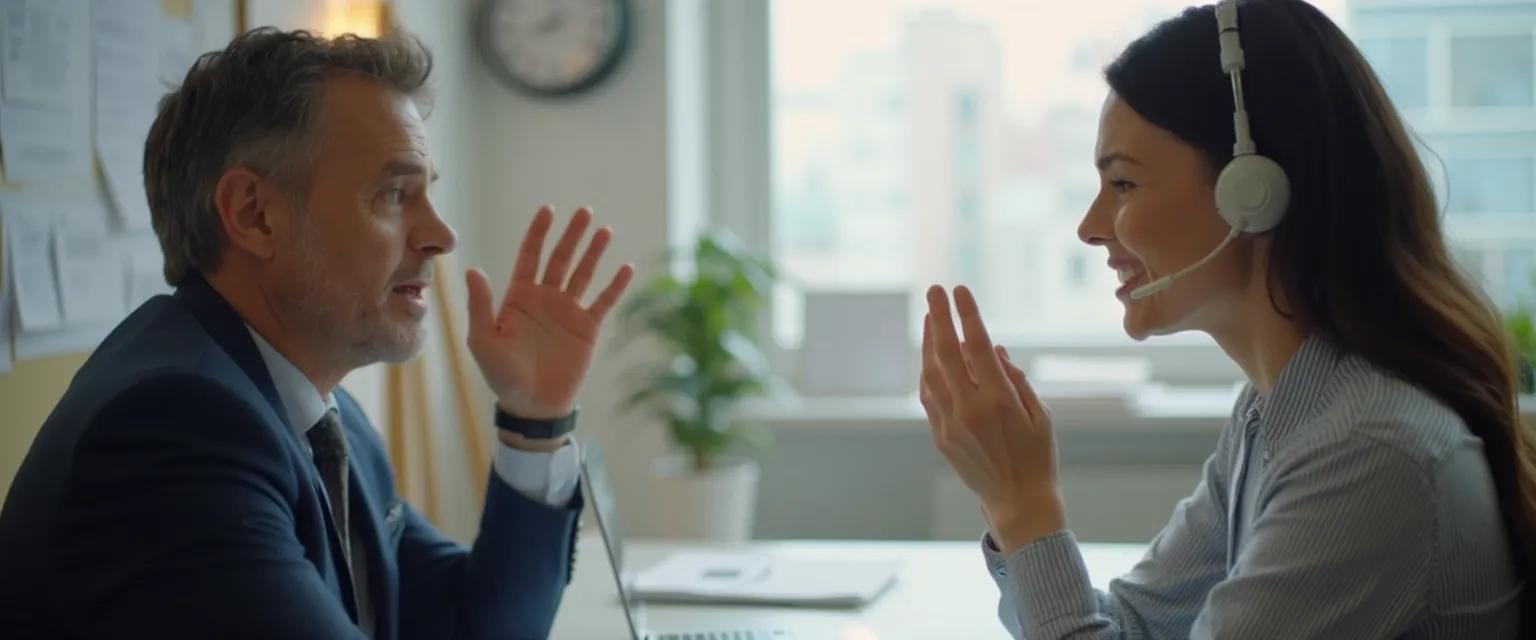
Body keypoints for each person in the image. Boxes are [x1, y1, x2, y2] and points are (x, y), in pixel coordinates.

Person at [919, 0, 1533, 637]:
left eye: (1123, 184)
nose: (1090, 227)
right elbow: (1133, 626)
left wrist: (1021, 503)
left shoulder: (1368, 453)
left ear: (1251, 191)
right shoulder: (1274, 414)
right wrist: (1010, 503)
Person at [0, 29, 633, 639]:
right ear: (254, 215)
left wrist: (534, 419)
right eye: (394, 194)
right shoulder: (176, 429)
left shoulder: (323, 413)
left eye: (426, 194)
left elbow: (471, 626)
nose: (441, 235)